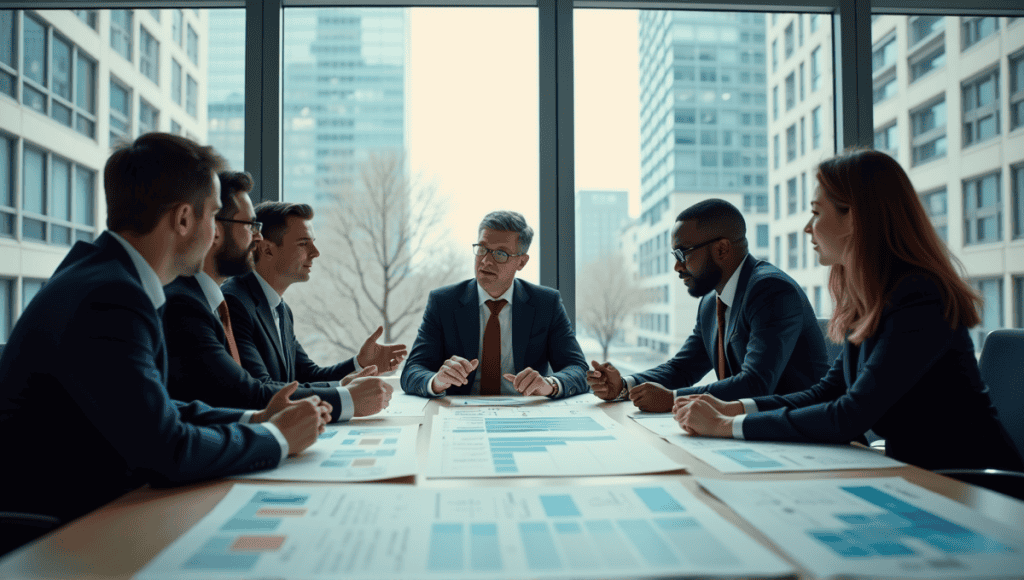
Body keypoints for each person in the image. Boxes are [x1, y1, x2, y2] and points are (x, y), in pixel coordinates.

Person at [0, 133, 328, 525]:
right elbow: (166, 448)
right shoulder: (112, 296)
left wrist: (253, 421)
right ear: (185, 219)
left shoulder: (104, 276)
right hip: (64, 532)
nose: (214, 235)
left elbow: (154, 408)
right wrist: (277, 439)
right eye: (211, 216)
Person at [674, 149, 1024, 472]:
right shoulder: (873, 297)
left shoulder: (920, 297)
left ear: (855, 218)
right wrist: (734, 409)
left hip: (977, 488)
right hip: (921, 478)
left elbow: (850, 415)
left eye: (816, 212)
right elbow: (827, 392)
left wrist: (726, 426)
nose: (808, 227)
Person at [163, 172, 390, 421]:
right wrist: (345, 398)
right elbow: (247, 393)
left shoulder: (250, 305)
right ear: (215, 230)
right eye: (251, 226)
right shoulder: (200, 304)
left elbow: (301, 376)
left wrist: (352, 373)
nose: (258, 237)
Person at [589, 199, 829, 412]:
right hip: (751, 433)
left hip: (806, 440)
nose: (677, 267)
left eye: (683, 254)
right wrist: (623, 387)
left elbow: (756, 384)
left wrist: (673, 399)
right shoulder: (710, 303)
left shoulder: (771, 290)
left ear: (722, 249)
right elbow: (682, 369)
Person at [223, 202, 405, 404]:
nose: (315, 252)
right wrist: (345, 396)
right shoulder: (234, 303)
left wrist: (360, 363)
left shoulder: (280, 309)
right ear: (267, 250)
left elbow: (308, 376)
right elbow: (263, 389)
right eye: (303, 243)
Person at [401, 211, 588, 398]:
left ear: (521, 262)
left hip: (526, 413)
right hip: (461, 413)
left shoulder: (546, 304)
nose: (485, 261)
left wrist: (550, 385)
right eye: (482, 248)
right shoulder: (443, 302)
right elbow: (412, 370)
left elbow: (578, 369)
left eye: (500, 253)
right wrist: (437, 381)